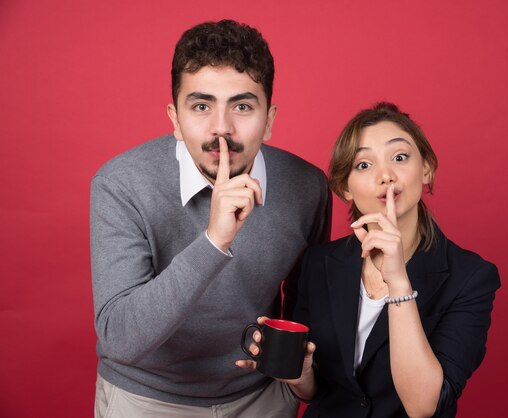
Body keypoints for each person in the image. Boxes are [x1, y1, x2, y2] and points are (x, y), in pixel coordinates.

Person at [89, 20, 331, 417]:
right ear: (174, 118)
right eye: (201, 106)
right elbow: (120, 339)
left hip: (261, 397)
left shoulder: (307, 186)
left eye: (242, 106)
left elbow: (307, 309)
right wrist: (214, 242)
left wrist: (300, 382)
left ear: (269, 120)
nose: (222, 128)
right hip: (147, 398)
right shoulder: (121, 184)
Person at [246, 102, 499, 417]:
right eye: (363, 164)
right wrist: (302, 375)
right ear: (344, 188)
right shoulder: (317, 263)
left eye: (400, 157)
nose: (386, 175)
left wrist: (398, 281)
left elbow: (424, 406)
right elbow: (318, 391)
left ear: (427, 169)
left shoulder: (471, 277)